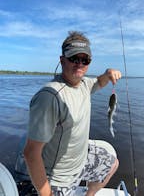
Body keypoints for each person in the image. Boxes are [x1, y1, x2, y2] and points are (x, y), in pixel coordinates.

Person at [23, 31, 122, 196]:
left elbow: (99, 82)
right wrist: (47, 194)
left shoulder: (84, 84)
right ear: (62, 60)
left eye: (85, 60)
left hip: (81, 160)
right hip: (60, 177)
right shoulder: (50, 97)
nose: (80, 64)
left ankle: (88, 195)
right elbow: (30, 152)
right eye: (74, 58)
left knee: (112, 163)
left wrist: (108, 73)